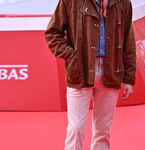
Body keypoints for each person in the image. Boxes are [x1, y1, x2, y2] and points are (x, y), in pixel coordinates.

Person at [45, 0, 136, 149]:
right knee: (75, 129)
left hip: (111, 71)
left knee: (103, 132)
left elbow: (129, 41)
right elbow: (52, 33)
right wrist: (72, 56)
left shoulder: (123, 3)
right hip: (80, 72)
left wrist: (129, 79)